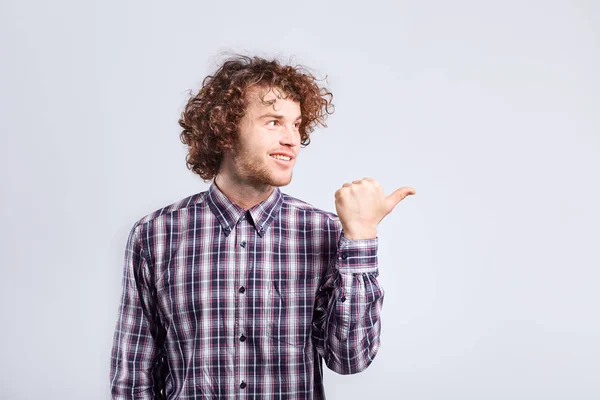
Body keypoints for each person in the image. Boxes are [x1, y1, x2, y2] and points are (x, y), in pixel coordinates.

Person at [109, 55, 416, 399]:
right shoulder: (156, 235)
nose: (292, 139)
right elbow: (133, 377)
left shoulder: (324, 232)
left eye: (297, 125)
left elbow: (350, 359)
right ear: (225, 130)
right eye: (273, 122)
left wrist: (360, 238)